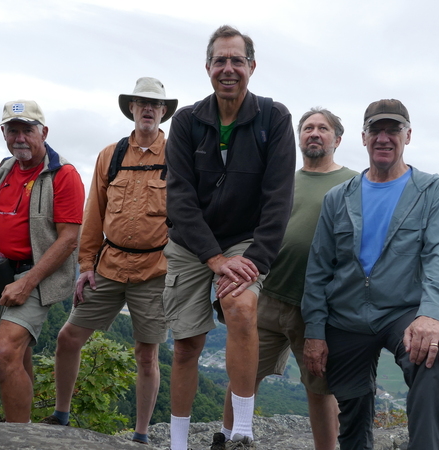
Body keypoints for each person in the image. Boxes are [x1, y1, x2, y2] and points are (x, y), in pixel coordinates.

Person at [164, 25, 296, 450]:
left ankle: (241, 433)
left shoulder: (274, 119)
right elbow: (180, 199)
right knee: (186, 345)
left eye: (237, 60)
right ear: (207, 68)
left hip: (245, 238)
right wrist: (213, 259)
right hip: (190, 242)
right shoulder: (186, 121)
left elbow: (279, 199)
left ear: (251, 67)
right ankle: (179, 443)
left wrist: (253, 257)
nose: (228, 68)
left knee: (240, 308)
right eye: (220, 60)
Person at [302, 99, 439, 449]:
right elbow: (318, 269)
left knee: (435, 355)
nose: (384, 138)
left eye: (393, 130)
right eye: (376, 130)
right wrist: (314, 331)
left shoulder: (432, 191)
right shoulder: (337, 198)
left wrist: (432, 315)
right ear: (363, 137)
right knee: (354, 410)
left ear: (408, 135)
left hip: (403, 310)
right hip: (347, 314)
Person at [40, 78, 177, 444]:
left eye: (155, 104)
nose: (147, 109)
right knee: (68, 337)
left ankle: (141, 435)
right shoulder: (110, 155)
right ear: (131, 108)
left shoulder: (178, 155)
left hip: (155, 271)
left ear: (163, 111)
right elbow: (94, 214)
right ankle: (61, 415)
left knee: (147, 355)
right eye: (140, 102)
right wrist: (86, 267)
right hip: (109, 265)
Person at [220, 108, 357, 450]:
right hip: (267, 294)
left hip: (316, 306)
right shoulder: (282, 180)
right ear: (298, 138)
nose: (314, 133)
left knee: (319, 386)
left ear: (337, 139)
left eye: (322, 128)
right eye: (308, 128)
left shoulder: (354, 184)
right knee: (242, 377)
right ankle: (225, 440)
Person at [0, 100, 84, 423]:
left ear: (44, 132)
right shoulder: (2, 171)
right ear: (3, 133)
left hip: (36, 277)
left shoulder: (63, 175)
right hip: (0, 276)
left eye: (27, 130)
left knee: (3, 353)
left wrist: (27, 283)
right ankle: (25, 426)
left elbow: (69, 238)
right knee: (19, 353)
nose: (20, 138)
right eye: (12, 130)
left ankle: (18, 436)